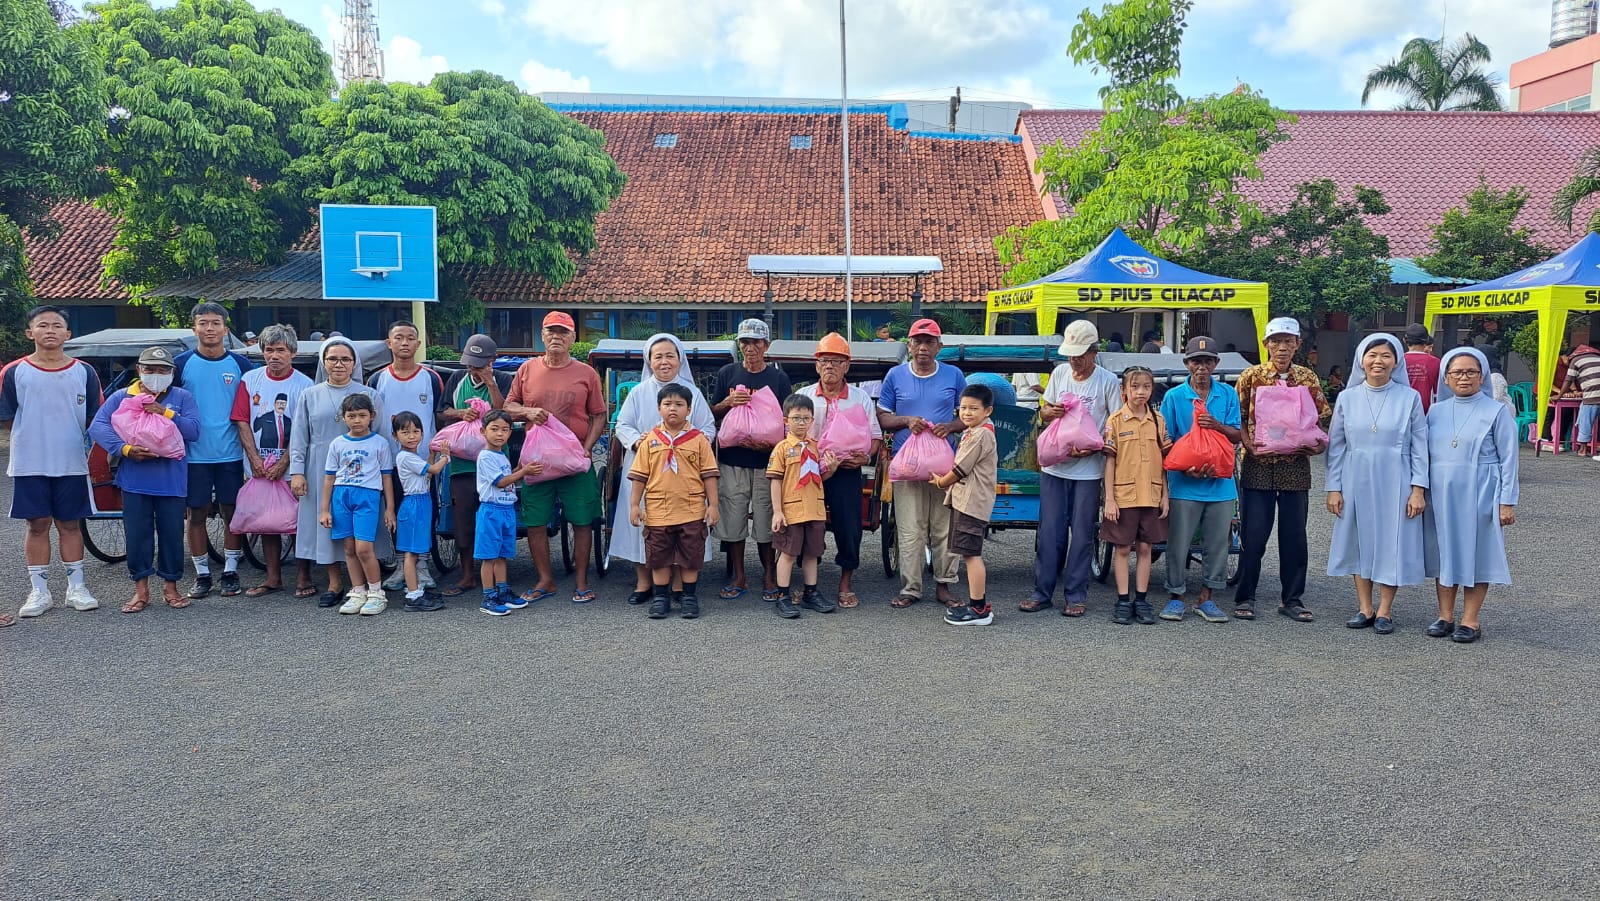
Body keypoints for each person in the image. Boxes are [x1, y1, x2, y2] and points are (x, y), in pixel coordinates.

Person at [0, 305, 104, 624]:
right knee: (37, 525)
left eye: (56, 326)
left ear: (67, 334)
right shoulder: (14, 371)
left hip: (72, 462)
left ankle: (77, 588)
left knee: (70, 524)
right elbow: (6, 417)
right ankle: (39, 591)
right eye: (42, 325)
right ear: (30, 333)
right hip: (30, 462)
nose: (50, 330)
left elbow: (94, 418)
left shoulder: (84, 371)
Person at [1327, 334, 1429, 634]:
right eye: (1372, 355)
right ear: (1362, 359)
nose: (1378, 361)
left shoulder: (1409, 398)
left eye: (1386, 355)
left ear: (1396, 361)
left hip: (1396, 476)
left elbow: (1420, 446)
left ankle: (1385, 609)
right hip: (1354, 476)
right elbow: (1336, 447)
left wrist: (1418, 489)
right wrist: (1333, 487)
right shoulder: (1347, 398)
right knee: (1360, 540)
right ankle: (1364, 607)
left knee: (1391, 541)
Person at [503, 311, 608, 604]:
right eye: (551, 332)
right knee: (535, 521)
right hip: (537, 461)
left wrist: (587, 447)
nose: (556, 337)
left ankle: (582, 580)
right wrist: (526, 412)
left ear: (573, 338)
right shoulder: (526, 370)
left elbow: (599, 414)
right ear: (542, 335)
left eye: (563, 332)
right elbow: (507, 405)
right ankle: (545, 580)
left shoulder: (586, 374)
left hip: (575, 459)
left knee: (583, 520)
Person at [1232, 317, 1331, 623]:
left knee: (1294, 537)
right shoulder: (1251, 377)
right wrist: (1249, 444)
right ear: (1266, 345)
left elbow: (1321, 416)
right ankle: (1245, 596)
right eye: (1276, 341)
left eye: (1289, 341)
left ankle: (1292, 599)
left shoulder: (1307, 379)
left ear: (1298, 344)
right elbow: (1239, 419)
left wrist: (1316, 443)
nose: (1282, 347)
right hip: (1258, 466)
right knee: (1254, 534)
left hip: (1295, 467)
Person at [87, 346, 200, 612]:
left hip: (171, 480)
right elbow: (98, 426)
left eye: (163, 370)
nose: (156, 375)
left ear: (172, 373)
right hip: (134, 480)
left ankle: (171, 588)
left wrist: (165, 412)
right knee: (137, 534)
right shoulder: (122, 397)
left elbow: (194, 430)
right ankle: (140, 590)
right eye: (150, 370)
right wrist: (125, 449)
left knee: (172, 534)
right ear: (139, 370)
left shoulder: (182, 398)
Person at [610, 334, 717, 606]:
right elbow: (622, 425)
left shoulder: (691, 393)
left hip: (685, 475)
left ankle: (680, 586)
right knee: (646, 529)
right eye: (658, 356)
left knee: (685, 529)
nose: (664, 361)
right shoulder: (638, 392)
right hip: (645, 469)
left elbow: (708, 427)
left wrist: (688, 443)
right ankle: (644, 583)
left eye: (670, 355)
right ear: (649, 360)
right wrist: (638, 441)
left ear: (680, 359)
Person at [1024, 319, 1121, 617]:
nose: (1074, 360)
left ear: (1094, 351)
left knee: (1081, 534)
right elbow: (1045, 410)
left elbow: (1114, 426)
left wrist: (1091, 449)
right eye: (1071, 355)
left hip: (1089, 470)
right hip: (1056, 467)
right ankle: (1042, 592)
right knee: (1049, 532)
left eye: (1080, 355)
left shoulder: (1107, 381)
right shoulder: (1060, 373)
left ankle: (1076, 594)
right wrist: (1048, 411)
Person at [1423, 348, 1519, 644]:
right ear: (1446, 378)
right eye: (1457, 373)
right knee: (1444, 551)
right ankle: (1445, 615)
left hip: (1481, 489)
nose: (1463, 378)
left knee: (1477, 552)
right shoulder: (1435, 411)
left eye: (1470, 372)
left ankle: (1470, 619)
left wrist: (1506, 501)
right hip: (1441, 492)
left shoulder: (1496, 410)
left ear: (1482, 377)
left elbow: (1509, 459)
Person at [877, 318, 967, 609]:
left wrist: (950, 427)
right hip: (907, 465)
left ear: (939, 347)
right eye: (918, 342)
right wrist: (906, 420)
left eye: (930, 342)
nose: (923, 348)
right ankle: (911, 588)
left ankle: (944, 585)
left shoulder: (953, 376)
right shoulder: (895, 376)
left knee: (943, 527)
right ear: (909, 345)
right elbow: (883, 417)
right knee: (910, 529)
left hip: (944, 467)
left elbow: (967, 415)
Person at [289, 338, 383, 607]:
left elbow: (382, 438)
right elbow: (299, 436)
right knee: (327, 526)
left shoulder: (369, 394)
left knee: (359, 531)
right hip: (319, 467)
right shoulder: (310, 394)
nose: (339, 364)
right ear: (323, 362)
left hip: (361, 474)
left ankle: (367, 584)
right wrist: (297, 472)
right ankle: (334, 582)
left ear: (354, 363)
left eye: (345, 359)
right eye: (332, 359)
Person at [172, 302, 255, 600]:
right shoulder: (180, 365)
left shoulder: (242, 365)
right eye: (203, 322)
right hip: (193, 455)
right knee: (195, 513)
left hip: (231, 453)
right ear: (193, 327)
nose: (210, 328)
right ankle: (202, 573)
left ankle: (231, 571)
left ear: (225, 329)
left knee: (231, 512)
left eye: (216, 323)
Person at [795, 332, 882, 608]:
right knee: (807, 525)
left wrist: (864, 457)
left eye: (836, 361)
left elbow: (875, 437)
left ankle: (846, 582)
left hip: (846, 470)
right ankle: (810, 584)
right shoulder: (804, 396)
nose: (829, 366)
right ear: (816, 365)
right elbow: (790, 436)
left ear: (847, 365)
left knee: (849, 526)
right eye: (824, 361)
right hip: (809, 471)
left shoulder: (860, 398)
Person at [1158, 336, 1241, 624]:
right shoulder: (1173, 397)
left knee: (1217, 544)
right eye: (1196, 361)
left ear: (1216, 364)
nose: (1202, 367)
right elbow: (1166, 439)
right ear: (1187, 365)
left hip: (1220, 485)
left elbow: (1237, 435)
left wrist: (1216, 425)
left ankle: (1207, 597)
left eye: (1207, 361)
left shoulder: (1228, 395)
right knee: (1178, 543)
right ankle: (1176, 596)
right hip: (1185, 483)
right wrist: (1186, 467)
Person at [709, 318, 792, 602]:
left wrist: (768, 444)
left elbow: (787, 421)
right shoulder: (727, 373)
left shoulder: (778, 378)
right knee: (733, 517)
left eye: (756, 342)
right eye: (745, 342)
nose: (750, 347)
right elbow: (712, 413)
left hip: (767, 462)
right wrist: (727, 403)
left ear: (766, 345)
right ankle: (739, 575)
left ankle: (769, 575)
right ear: (739, 345)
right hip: (732, 460)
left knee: (767, 517)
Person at [230, 323, 314, 598]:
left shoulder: (304, 384)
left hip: (293, 466)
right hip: (258, 466)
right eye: (269, 350)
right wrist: (254, 459)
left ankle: (303, 576)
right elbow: (242, 420)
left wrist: (285, 463)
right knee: (268, 522)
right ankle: (273, 577)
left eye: (280, 350)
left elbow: (304, 429)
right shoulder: (249, 380)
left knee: (297, 520)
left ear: (292, 352)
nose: (274, 355)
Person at [628, 382, 720, 620]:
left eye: (679, 404)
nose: (673, 409)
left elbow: (709, 474)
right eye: (667, 404)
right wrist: (635, 505)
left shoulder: (698, 440)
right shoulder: (649, 441)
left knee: (690, 557)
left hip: (691, 511)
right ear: (659, 408)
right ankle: (661, 598)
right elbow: (639, 476)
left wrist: (713, 506)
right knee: (659, 557)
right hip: (658, 512)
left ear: (689, 409)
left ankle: (689, 597)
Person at [369, 319, 446, 591]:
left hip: (425, 463)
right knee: (397, 513)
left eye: (410, 338)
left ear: (418, 343)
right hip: (390, 463)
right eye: (398, 338)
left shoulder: (431, 377)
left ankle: (422, 564)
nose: (404, 343)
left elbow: (439, 417)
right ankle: (403, 565)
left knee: (425, 513)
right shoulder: (378, 379)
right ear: (389, 343)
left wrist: (437, 456)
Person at [439, 334, 514, 597]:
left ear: (492, 360)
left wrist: (491, 382)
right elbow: (443, 411)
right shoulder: (456, 380)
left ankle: (496, 573)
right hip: (462, 465)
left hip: (495, 462)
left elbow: (504, 412)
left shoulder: (505, 380)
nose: (473, 368)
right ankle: (468, 574)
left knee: (495, 517)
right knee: (464, 518)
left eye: (479, 363)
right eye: (470, 363)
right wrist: (460, 414)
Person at [1101, 366, 1173, 625]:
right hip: (1124, 496)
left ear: (1152, 390)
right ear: (1124, 391)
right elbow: (1109, 462)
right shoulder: (1115, 421)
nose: (1140, 392)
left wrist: (1165, 495)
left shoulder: (1158, 420)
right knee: (1122, 548)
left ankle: (1141, 600)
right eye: (1134, 386)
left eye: (1145, 387)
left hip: (1151, 495)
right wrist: (1109, 498)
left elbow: (1166, 462)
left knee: (1146, 547)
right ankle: (1122, 600)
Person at [319, 394, 396, 616]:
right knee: (349, 548)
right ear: (343, 418)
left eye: (362, 415)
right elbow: (329, 477)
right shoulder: (338, 443)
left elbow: (387, 477)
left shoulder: (379, 443)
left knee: (364, 548)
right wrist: (324, 509)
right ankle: (358, 590)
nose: (357, 420)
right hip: (341, 495)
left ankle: (375, 592)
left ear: (371, 416)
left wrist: (390, 508)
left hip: (368, 496)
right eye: (351, 416)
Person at [932, 384, 999, 627]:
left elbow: (960, 469)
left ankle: (979, 608)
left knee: (972, 555)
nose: (967, 413)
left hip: (972, 502)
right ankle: (977, 605)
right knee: (969, 554)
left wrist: (940, 482)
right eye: (963, 408)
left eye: (974, 408)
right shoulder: (974, 431)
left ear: (988, 411)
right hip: (967, 501)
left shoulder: (980, 434)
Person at [766, 394, 838, 619]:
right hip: (792, 511)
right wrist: (778, 511)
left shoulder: (815, 447)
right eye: (796, 418)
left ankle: (811, 593)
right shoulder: (781, 448)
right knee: (787, 553)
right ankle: (783, 596)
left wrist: (832, 469)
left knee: (812, 553)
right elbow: (776, 480)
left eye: (806, 418)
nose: (801, 423)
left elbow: (817, 478)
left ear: (812, 421)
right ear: (785, 420)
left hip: (814, 510)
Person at [475, 411, 541, 616]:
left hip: (506, 510)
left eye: (504, 430)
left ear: (510, 433)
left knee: (502, 555)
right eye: (494, 429)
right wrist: (523, 472)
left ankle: (502, 590)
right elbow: (501, 482)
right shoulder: (485, 456)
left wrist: (518, 469)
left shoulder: (500, 455)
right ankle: (488, 596)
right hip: (491, 511)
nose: (499, 434)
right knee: (489, 556)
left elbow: (506, 476)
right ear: (483, 431)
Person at [391, 411, 451, 612]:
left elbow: (426, 473)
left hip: (421, 502)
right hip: (414, 504)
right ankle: (413, 595)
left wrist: (433, 456)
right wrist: (445, 456)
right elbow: (433, 471)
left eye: (416, 431)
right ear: (395, 436)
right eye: (405, 432)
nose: (411, 436)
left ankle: (415, 589)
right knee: (412, 552)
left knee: (417, 550)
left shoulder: (414, 457)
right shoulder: (405, 456)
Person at [1559, 342, 1600, 455]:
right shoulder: (1596, 357)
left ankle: (1582, 449)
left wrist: (1559, 396)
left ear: (1570, 356)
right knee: (1583, 410)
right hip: (1593, 393)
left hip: (1593, 395)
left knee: (1586, 419)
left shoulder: (1575, 360)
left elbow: (1568, 381)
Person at [1404, 323, 1441, 414]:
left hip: (1402, 409)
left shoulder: (1397, 361)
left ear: (1405, 340)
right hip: (1425, 410)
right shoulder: (1435, 362)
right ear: (1427, 340)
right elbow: (1438, 391)